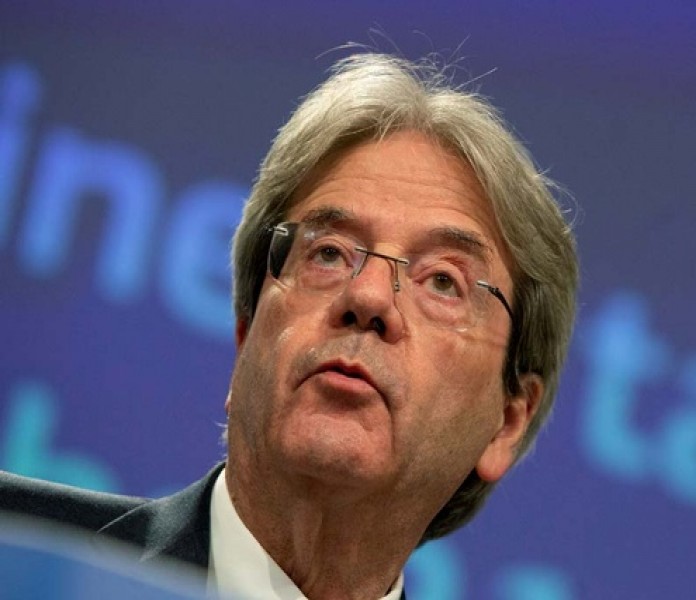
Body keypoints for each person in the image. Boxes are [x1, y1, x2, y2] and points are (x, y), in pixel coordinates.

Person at [0, 52, 578, 599]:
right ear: (247, 332)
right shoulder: (20, 557)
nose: (369, 296)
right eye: (328, 252)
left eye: (444, 281)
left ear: (508, 421)